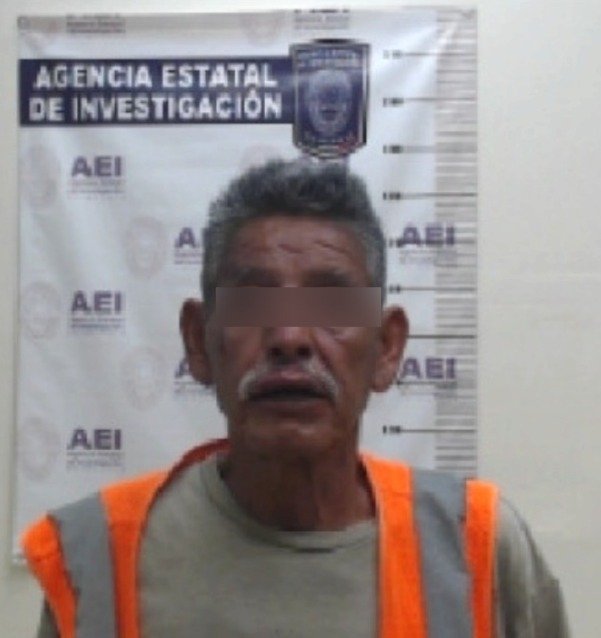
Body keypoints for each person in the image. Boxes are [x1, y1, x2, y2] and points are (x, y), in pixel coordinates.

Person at [24, 159, 569, 637]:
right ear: (199, 342)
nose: (289, 336)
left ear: (386, 348)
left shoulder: (476, 547)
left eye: (332, 304)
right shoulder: (96, 557)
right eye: (253, 302)